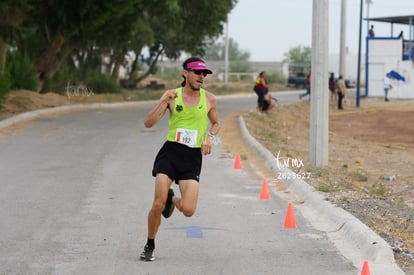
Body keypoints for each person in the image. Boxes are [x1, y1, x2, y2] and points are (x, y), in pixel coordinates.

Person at [140, 57, 220, 261]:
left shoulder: (210, 99)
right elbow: (148, 123)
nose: (201, 76)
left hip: (192, 157)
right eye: (197, 72)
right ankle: (150, 244)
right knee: (157, 204)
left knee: (188, 210)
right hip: (170, 153)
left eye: (204, 74)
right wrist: (164, 101)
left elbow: (216, 123)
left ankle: (171, 199)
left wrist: (210, 137)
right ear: (185, 73)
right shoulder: (172, 95)